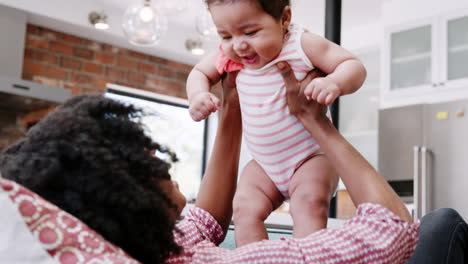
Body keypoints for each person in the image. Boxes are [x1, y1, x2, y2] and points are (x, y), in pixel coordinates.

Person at [1, 63, 419, 264]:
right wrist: (317, 125)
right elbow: (393, 230)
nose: (156, 156)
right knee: (441, 226)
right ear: (120, 193)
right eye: (138, 157)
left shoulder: (157, 248)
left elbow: (206, 219)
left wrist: (231, 111)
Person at [186, 0, 367, 246]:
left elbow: (353, 66)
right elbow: (199, 73)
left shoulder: (301, 44)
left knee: (308, 203)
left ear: (284, 19)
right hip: (264, 164)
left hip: (310, 157)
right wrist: (197, 95)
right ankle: (254, 259)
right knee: (244, 207)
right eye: (226, 35)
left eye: (250, 32)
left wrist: (334, 82)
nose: (239, 45)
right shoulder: (231, 57)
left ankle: (307, 257)